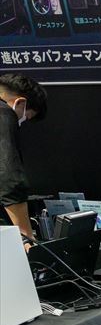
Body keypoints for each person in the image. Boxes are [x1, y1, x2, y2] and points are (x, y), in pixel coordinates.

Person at [0, 73, 47, 243]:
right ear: (20, 102)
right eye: (25, 117)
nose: (20, 121)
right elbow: (9, 176)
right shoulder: (4, 112)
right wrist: (26, 236)